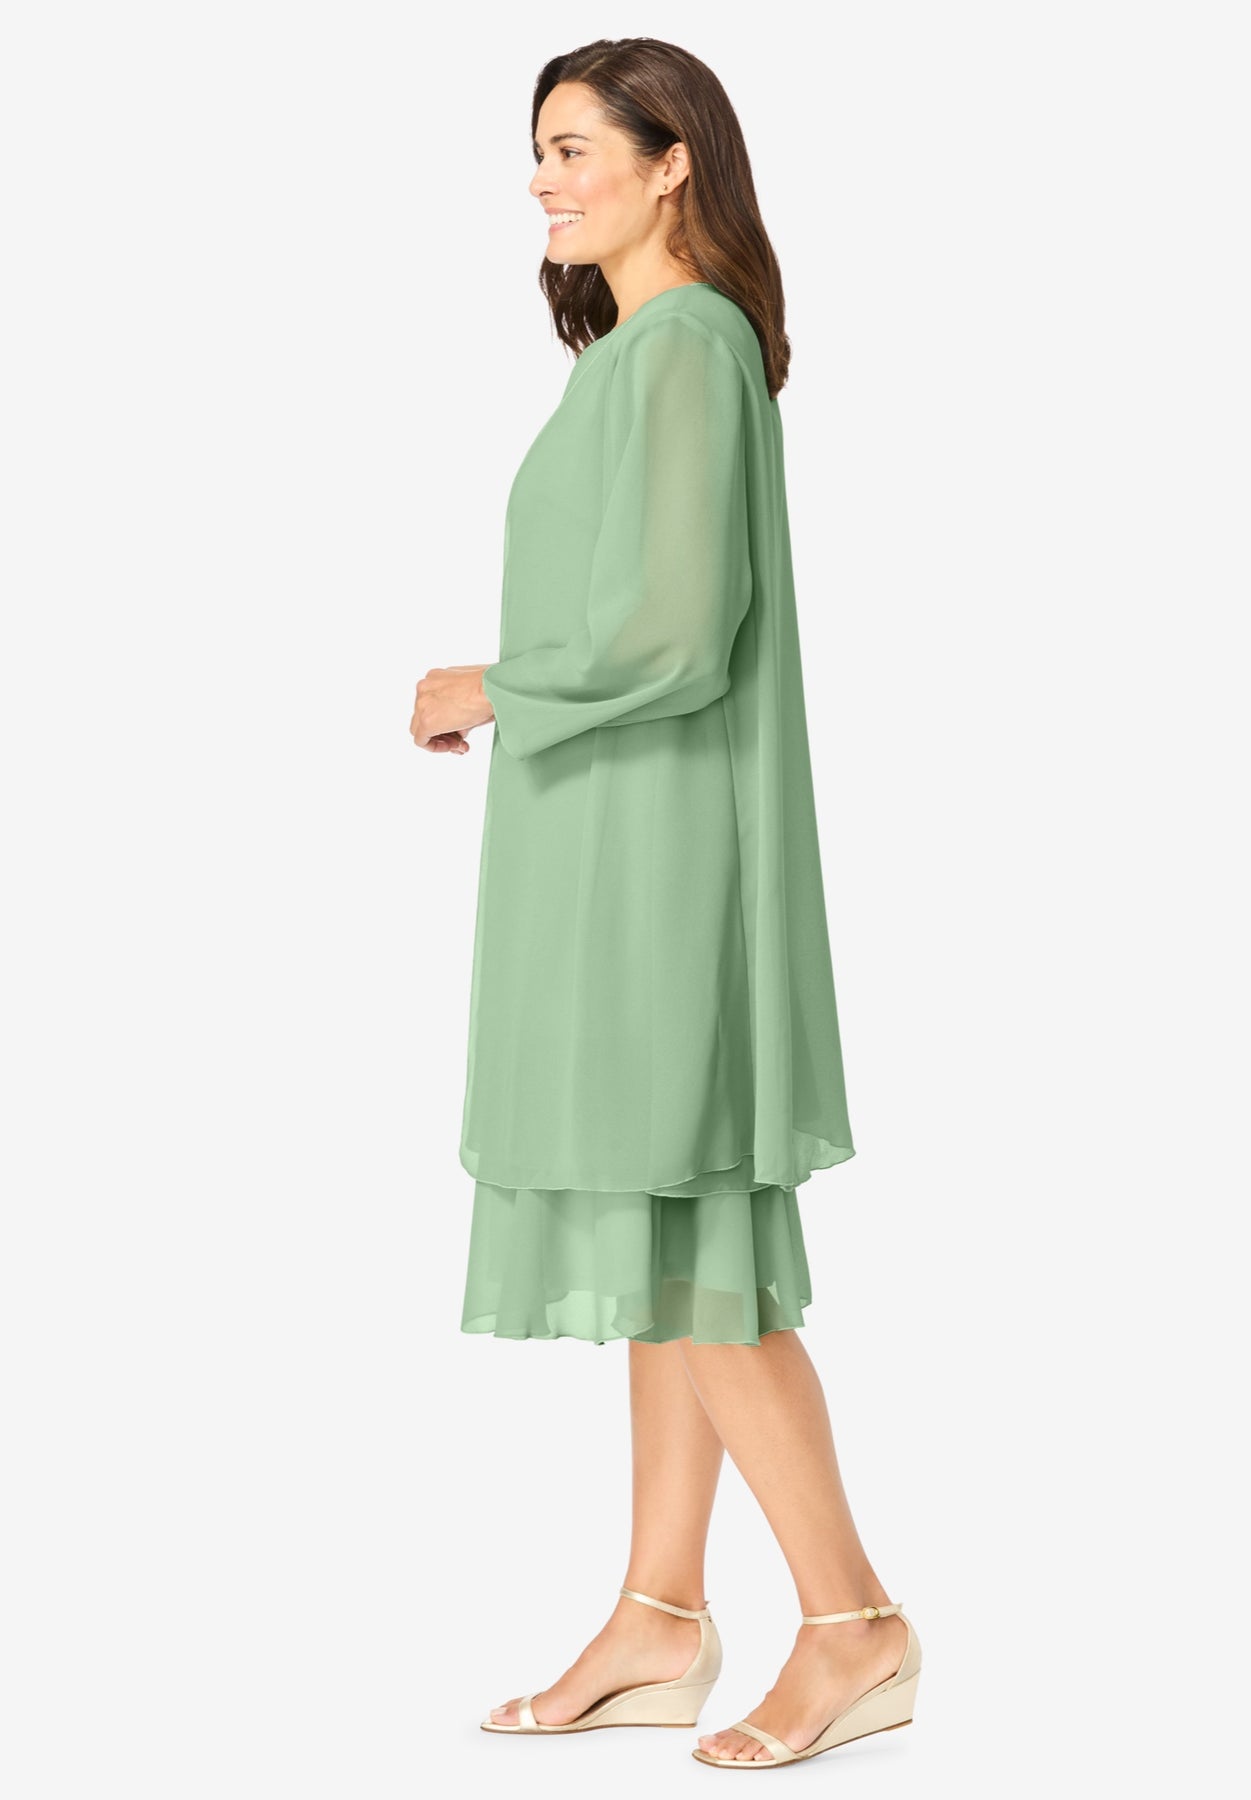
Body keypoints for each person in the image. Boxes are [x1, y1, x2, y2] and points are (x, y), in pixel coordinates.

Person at [410, 37, 922, 1770]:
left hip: (657, 862)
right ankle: (660, 1613)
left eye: (574, 149)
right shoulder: (639, 354)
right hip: (604, 847)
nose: (543, 181)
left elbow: (677, 636)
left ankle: (854, 1625)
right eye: (538, 151)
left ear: (672, 158)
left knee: (700, 1255)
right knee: (655, 1234)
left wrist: (489, 685)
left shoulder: (688, 347)